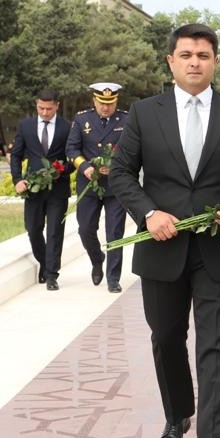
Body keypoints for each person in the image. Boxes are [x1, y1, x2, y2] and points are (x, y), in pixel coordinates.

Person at [109, 23, 220, 438]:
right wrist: (148, 214)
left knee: (216, 345)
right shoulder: (145, 113)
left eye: (203, 55)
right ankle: (177, 413)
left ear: (215, 61)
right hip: (162, 248)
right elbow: (121, 173)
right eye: (186, 55)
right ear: (171, 61)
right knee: (166, 338)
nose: (195, 62)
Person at [67, 82, 129, 293]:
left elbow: (133, 149)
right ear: (94, 100)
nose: (106, 107)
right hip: (89, 184)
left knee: (115, 232)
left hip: (115, 185)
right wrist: (84, 167)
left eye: (110, 103)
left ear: (116, 102)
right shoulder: (81, 119)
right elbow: (71, 148)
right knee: (85, 229)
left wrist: (117, 166)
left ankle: (113, 278)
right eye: (102, 103)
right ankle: (97, 258)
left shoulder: (126, 119)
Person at [11, 88, 72, 290]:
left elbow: (73, 157)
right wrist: (17, 180)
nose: (45, 112)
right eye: (41, 108)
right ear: (36, 105)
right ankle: (44, 263)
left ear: (57, 106)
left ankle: (52, 275)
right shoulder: (25, 126)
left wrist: (61, 170)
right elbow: (16, 155)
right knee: (33, 229)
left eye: (49, 109)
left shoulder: (67, 127)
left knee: (55, 232)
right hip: (33, 189)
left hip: (58, 189)